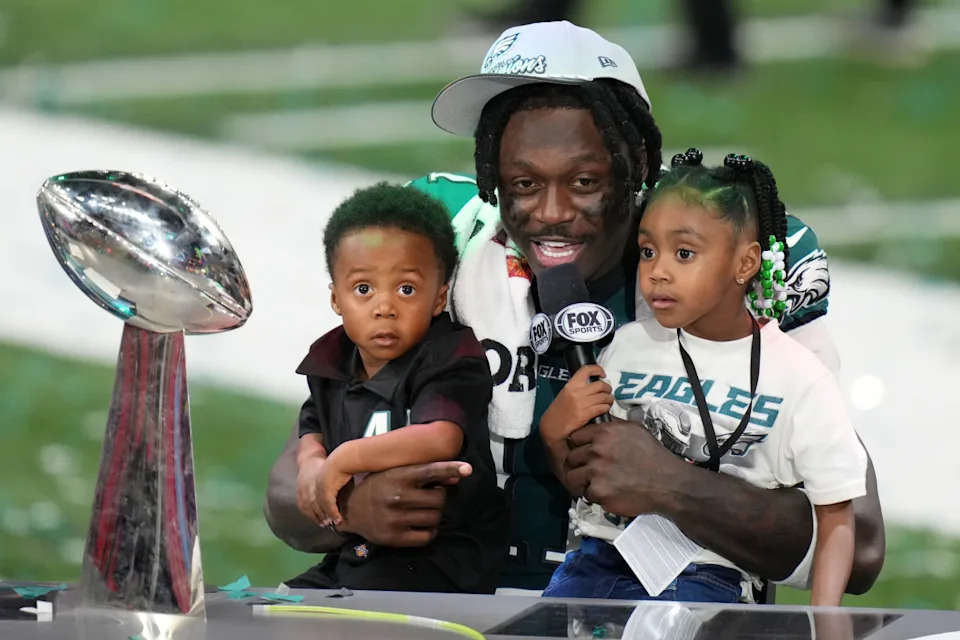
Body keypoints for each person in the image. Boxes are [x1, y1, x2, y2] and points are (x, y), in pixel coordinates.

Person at [264, 20, 885, 598]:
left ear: (637, 166)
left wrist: (677, 488)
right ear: (490, 173)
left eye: (585, 182)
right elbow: (284, 491)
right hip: (452, 605)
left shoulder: (732, 257)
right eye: (525, 184)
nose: (553, 212)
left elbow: (860, 545)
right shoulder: (440, 238)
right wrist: (347, 508)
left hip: (664, 615)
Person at [539, 149, 866, 605]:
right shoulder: (627, 346)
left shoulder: (799, 375)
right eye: (648, 251)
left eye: (685, 253)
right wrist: (555, 437)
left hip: (711, 576)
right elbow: (589, 482)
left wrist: (823, 623)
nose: (658, 272)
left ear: (745, 263)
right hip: (595, 564)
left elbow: (837, 516)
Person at [286, 182, 509, 593]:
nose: (384, 306)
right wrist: (312, 465)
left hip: (438, 556)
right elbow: (312, 424)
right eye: (363, 289)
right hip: (358, 549)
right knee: (276, 607)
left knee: (349, 619)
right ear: (336, 299)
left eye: (406, 289)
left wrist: (345, 459)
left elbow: (440, 437)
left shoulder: (452, 356)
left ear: (439, 298)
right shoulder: (332, 357)